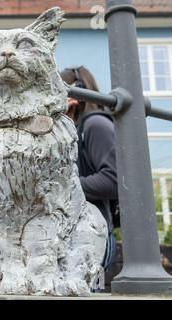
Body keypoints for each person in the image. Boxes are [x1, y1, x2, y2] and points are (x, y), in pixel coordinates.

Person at [60, 66, 119, 275]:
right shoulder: (72, 130)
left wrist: (61, 187)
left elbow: (114, 180)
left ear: (75, 92)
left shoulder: (95, 124)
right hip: (72, 238)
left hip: (92, 240)